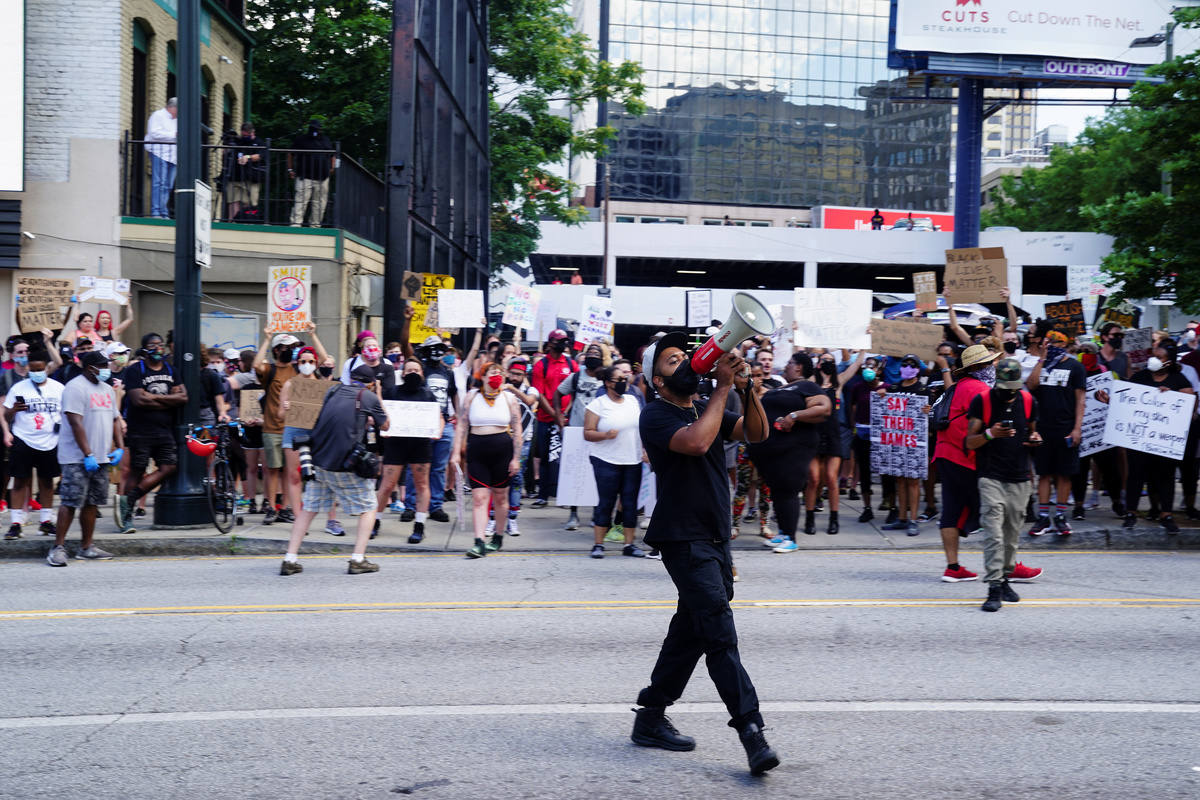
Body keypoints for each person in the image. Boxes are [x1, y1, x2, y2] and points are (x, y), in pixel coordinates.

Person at [632, 331, 777, 776]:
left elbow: (757, 432)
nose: (686, 363)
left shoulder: (704, 407)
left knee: (691, 630)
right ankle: (751, 730)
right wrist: (722, 386)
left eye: (686, 356)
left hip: (715, 536)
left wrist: (746, 387)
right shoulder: (655, 414)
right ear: (658, 380)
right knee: (718, 633)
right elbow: (695, 442)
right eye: (673, 361)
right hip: (684, 538)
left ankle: (650, 716)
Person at [280, 365, 389, 575]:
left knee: (308, 508)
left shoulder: (332, 390)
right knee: (369, 507)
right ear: (371, 383)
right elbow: (385, 425)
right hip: (344, 465)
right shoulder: (368, 396)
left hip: (318, 462)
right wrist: (379, 396)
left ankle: (289, 559)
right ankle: (358, 559)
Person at [965, 357, 1043, 611]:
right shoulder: (983, 401)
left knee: (1011, 536)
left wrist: (1035, 438)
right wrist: (990, 433)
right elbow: (969, 442)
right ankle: (994, 587)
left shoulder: (1028, 401)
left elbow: (1032, 432)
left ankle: (1004, 578)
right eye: (1005, 389)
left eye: (1014, 389)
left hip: (1020, 477)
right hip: (991, 476)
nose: (1010, 394)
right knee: (993, 533)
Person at [46, 352, 125, 566]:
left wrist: (120, 447)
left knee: (92, 502)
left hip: (101, 457)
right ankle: (57, 548)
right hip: (76, 457)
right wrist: (88, 454)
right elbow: (75, 423)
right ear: (91, 367)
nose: (107, 369)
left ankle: (86, 547)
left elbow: (115, 419)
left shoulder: (107, 389)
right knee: (70, 501)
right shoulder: (76, 387)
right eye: (103, 365)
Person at [932, 344, 998, 582]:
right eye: (989, 363)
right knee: (996, 512)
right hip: (965, 457)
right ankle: (1006, 566)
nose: (993, 366)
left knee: (951, 511)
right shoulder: (981, 390)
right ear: (979, 367)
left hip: (945, 453)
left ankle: (953, 567)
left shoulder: (958, 386)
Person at [752, 353, 831, 553]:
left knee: (788, 489)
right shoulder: (781, 387)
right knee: (778, 490)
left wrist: (795, 415)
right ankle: (782, 532)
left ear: (799, 367)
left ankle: (790, 538)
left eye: (789, 363)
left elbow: (824, 408)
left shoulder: (807, 386)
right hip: (769, 448)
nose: (786, 366)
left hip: (792, 447)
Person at [1118, 343, 1193, 534]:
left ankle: (1166, 515)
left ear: (1168, 362)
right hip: (1139, 438)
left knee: (1166, 476)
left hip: (1165, 440)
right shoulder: (1139, 377)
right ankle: (1131, 513)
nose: (1154, 359)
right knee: (1136, 475)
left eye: (1159, 357)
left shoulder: (1179, 379)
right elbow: (1125, 399)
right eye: (1154, 355)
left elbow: (1190, 404)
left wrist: (1172, 397)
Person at [256, 326, 328, 524]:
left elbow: (323, 360)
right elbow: (256, 366)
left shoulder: (298, 369)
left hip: (300, 429)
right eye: (288, 347)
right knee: (273, 470)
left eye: (294, 347)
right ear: (277, 349)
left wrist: (313, 335)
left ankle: (287, 508)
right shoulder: (271, 370)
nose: (292, 350)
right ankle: (272, 508)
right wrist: (266, 338)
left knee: (292, 472)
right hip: (275, 428)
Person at [451, 362, 522, 558]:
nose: (496, 376)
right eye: (492, 372)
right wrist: (456, 453)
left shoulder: (509, 398)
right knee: (479, 498)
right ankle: (479, 542)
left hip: (503, 452)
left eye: (499, 372)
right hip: (477, 452)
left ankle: (498, 537)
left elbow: (517, 430)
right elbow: (461, 425)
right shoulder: (471, 396)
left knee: (500, 497)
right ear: (482, 377)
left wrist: (516, 458)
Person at [118, 333, 187, 532]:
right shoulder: (135, 370)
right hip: (140, 430)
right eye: (152, 345)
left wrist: (152, 397)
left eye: (160, 344)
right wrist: (169, 400)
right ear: (144, 349)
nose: (157, 348)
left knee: (169, 467)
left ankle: (130, 499)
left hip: (164, 430)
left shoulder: (171, 370)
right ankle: (126, 518)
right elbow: (138, 400)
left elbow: (183, 398)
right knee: (137, 471)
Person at [376, 358, 444, 544]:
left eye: (417, 370)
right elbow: (382, 413)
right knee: (387, 485)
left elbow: (439, 418)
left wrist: (438, 430)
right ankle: (375, 521)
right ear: (403, 373)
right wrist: (383, 426)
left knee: (422, 484)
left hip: (420, 445)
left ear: (422, 374)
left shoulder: (428, 395)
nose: (413, 373)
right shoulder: (393, 392)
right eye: (409, 370)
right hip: (396, 443)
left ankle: (419, 525)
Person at [1025, 329, 1085, 536]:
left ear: (1064, 344)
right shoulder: (1042, 364)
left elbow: (1080, 400)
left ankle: (1060, 516)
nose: (1050, 346)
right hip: (1043, 428)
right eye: (1047, 343)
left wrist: (1077, 428)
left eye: (1054, 343)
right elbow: (1031, 385)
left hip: (1066, 427)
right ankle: (1043, 517)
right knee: (1044, 473)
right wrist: (1042, 359)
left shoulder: (1075, 367)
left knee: (1064, 474)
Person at [399, 315, 458, 523]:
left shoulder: (448, 372)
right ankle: (411, 505)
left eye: (440, 348)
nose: (437, 352)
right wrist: (408, 321)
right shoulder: (420, 368)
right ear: (424, 351)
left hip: (443, 424)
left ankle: (435, 506)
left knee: (438, 468)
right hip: (421, 423)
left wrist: (457, 414)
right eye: (432, 348)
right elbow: (405, 346)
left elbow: (453, 393)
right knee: (415, 466)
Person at [584, 360, 646, 558]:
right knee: (606, 502)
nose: (624, 381)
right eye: (619, 379)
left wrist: (645, 449)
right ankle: (598, 544)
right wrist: (604, 435)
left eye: (625, 378)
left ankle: (629, 545)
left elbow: (641, 428)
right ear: (608, 383)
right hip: (606, 460)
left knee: (630, 503)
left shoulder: (633, 400)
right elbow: (587, 433)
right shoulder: (597, 405)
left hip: (632, 460)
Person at [2, 349, 63, 540]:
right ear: (28, 368)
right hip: (24, 439)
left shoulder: (59, 388)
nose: (36, 373)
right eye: (33, 369)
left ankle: (46, 521)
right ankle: (16, 523)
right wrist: (13, 410)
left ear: (47, 368)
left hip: (50, 441)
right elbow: (6, 416)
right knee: (20, 480)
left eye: (40, 369)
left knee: (47, 481)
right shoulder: (19, 388)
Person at [555, 340, 611, 530]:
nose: (592, 356)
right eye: (590, 353)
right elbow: (557, 394)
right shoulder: (576, 377)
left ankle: (597, 513)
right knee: (575, 474)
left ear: (602, 358)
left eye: (596, 354)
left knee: (598, 475)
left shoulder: (606, 378)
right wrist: (559, 417)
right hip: (577, 431)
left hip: (598, 432)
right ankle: (573, 514)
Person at [805, 351, 861, 535]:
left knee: (831, 478)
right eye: (825, 360)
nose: (828, 362)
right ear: (818, 363)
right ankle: (810, 517)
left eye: (831, 360)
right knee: (814, 478)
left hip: (832, 435)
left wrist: (864, 346)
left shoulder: (838, 381)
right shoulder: (811, 382)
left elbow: (855, 365)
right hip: (814, 434)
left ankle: (833, 519)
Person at [879, 354, 933, 537]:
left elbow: (932, 416)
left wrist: (929, 411)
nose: (908, 367)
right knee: (900, 479)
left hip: (915, 442)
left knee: (913, 481)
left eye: (912, 365)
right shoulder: (894, 388)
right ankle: (902, 518)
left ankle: (913, 520)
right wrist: (881, 396)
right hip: (898, 441)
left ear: (918, 369)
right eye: (905, 364)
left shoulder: (923, 390)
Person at [530, 329, 578, 508]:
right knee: (545, 458)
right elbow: (540, 394)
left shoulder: (572, 364)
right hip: (545, 418)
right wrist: (556, 416)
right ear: (550, 343)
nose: (563, 344)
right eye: (559, 341)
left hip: (567, 419)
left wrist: (565, 414)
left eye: (565, 340)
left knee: (567, 459)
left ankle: (564, 496)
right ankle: (543, 496)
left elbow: (575, 391)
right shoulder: (541, 365)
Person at [501, 357, 539, 537]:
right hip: (502, 439)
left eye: (519, 374)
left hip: (523, 441)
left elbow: (530, 401)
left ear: (525, 375)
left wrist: (511, 388)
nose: (515, 377)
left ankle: (512, 519)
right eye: (512, 373)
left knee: (516, 479)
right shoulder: (501, 389)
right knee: (498, 480)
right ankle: (493, 518)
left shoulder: (531, 390)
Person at [287, 119, 335, 227]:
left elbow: (333, 154)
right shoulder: (301, 140)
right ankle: (295, 224)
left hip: (322, 177)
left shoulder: (325, 140)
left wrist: (332, 167)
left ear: (320, 129)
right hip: (304, 176)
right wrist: (290, 169)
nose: (314, 131)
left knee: (319, 203)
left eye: (316, 129)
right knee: (300, 201)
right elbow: (290, 153)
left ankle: (315, 225)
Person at [223, 122, 266, 221]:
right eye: (243, 135)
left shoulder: (258, 142)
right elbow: (226, 153)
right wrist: (227, 147)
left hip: (251, 178)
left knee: (248, 205)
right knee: (233, 202)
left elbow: (261, 155)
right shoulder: (238, 141)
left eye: (247, 135)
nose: (244, 137)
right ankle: (232, 223)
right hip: (235, 176)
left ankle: (246, 223)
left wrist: (248, 157)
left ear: (253, 133)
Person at [145, 98, 178, 218]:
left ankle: (163, 211)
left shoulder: (177, 120)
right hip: (160, 153)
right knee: (159, 183)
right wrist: (173, 135)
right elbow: (154, 133)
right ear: (172, 107)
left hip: (173, 157)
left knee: (168, 185)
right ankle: (156, 211)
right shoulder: (158, 115)